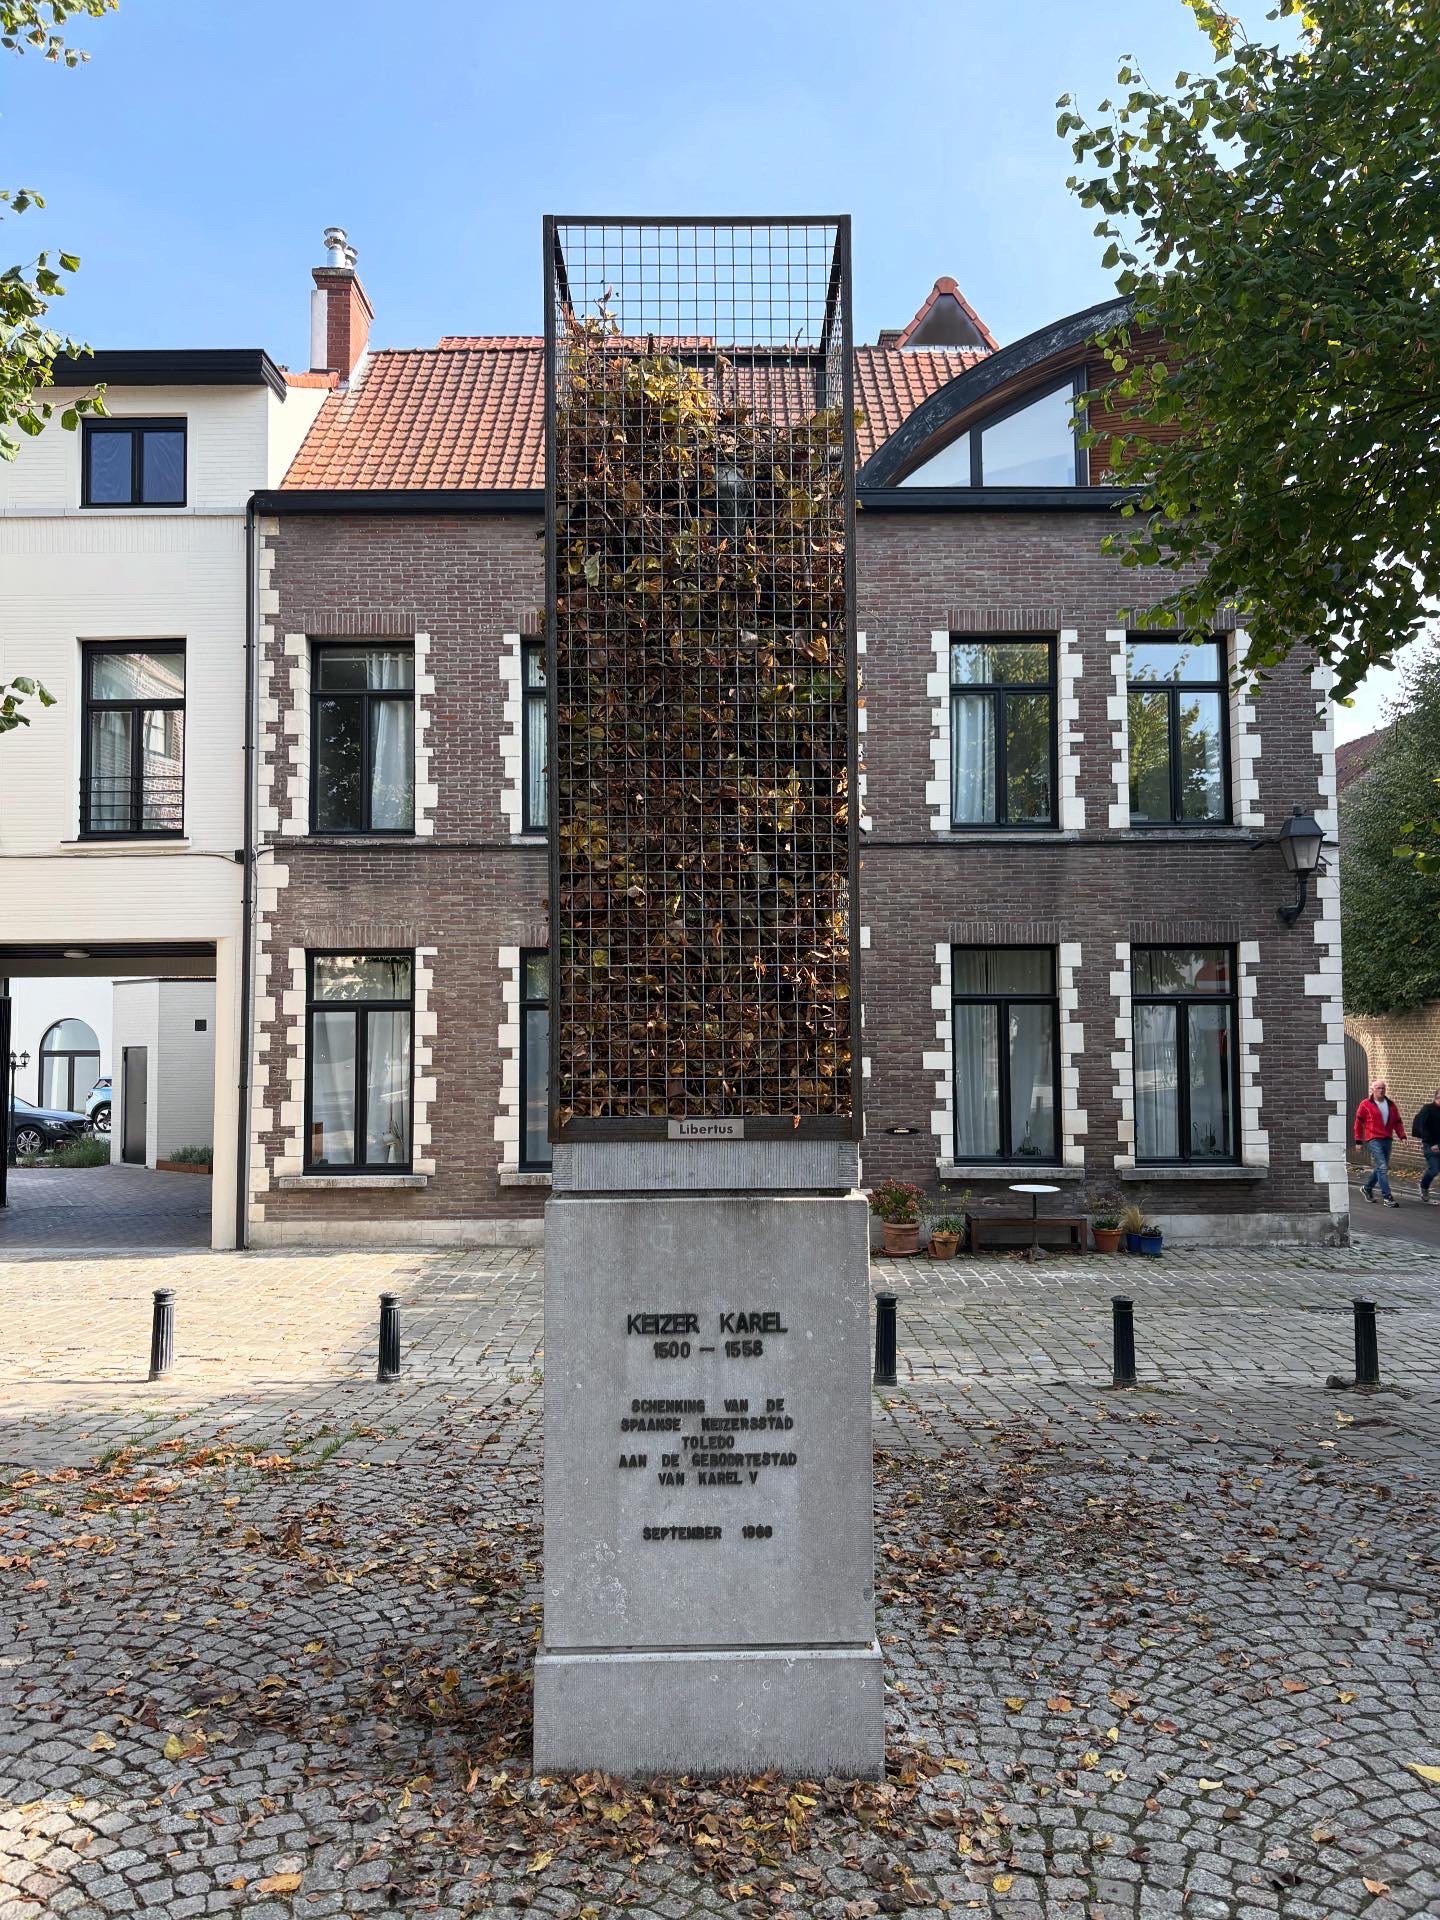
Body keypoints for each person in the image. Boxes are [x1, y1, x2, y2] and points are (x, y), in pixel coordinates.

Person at [1354, 1078, 1406, 1206]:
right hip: (1373, 1138)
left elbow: (1397, 1122)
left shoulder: (1391, 1105)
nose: (1381, 1090)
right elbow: (1358, 1123)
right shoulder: (1365, 1104)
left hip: (1387, 1139)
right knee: (1382, 1167)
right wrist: (1358, 1141)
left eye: (1383, 1088)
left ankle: (1367, 1188)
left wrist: (1402, 1136)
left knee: (1380, 1167)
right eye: (1378, 1088)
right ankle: (1387, 1197)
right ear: (1372, 1090)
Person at [1412, 1089, 1440, 1202]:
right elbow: (1422, 1127)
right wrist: (1431, 1143)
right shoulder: (1427, 1109)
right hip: (1430, 1145)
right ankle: (1424, 1186)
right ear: (1436, 1097)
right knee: (1434, 1169)